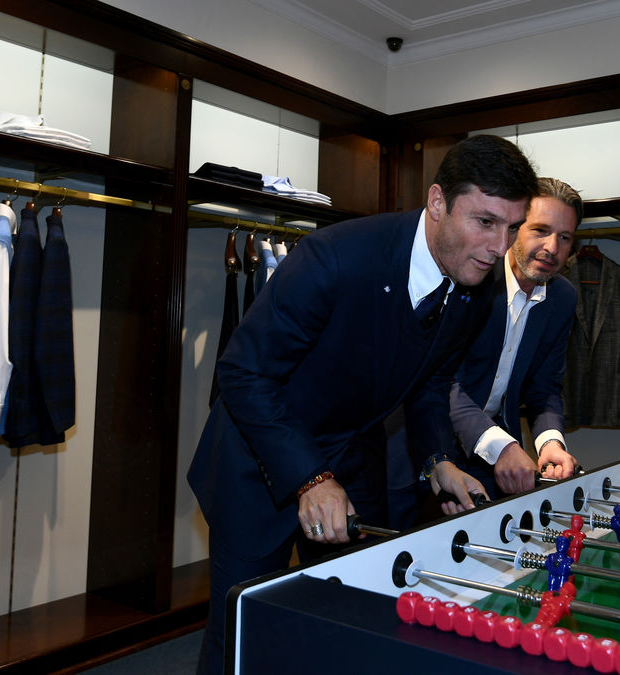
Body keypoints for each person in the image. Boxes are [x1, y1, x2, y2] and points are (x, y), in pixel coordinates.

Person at [187, 134, 539, 674]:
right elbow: (243, 372)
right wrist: (309, 478)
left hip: (352, 461)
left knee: (350, 624)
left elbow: (430, 381)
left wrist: (437, 461)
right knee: (242, 637)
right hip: (259, 461)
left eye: (512, 228)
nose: (500, 246)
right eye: (486, 221)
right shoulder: (335, 257)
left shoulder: (477, 284)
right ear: (438, 202)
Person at [449, 177, 582, 498]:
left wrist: (550, 442)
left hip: (498, 453)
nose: (552, 248)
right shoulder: (473, 276)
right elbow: (441, 382)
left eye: (564, 237)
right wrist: (502, 447)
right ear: (514, 227)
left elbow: (545, 387)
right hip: (428, 446)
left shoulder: (562, 297)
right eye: (540, 230)